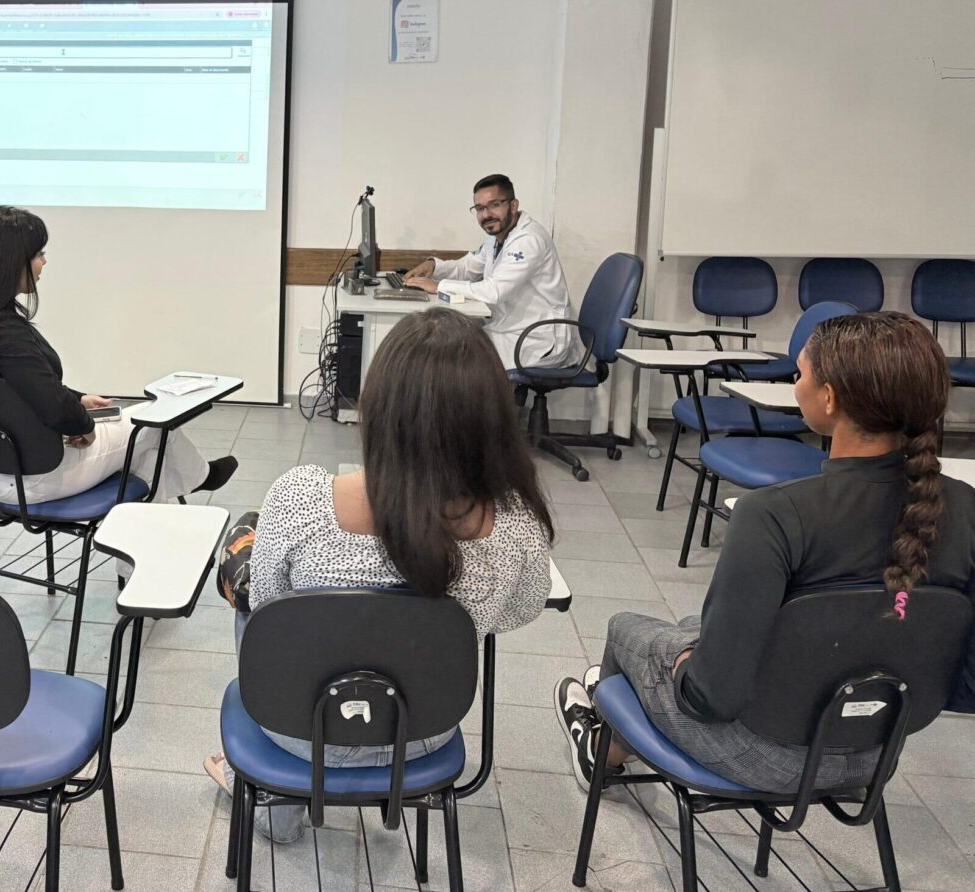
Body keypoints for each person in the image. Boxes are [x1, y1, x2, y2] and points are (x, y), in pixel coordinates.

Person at [554, 312, 975, 794]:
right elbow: (965, 685)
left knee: (629, 631)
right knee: (694, 627)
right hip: (878, 754)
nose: (797, 385)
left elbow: (709, 698)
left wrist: (683, 662)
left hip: (766, 755)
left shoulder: (773, 515)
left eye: (801, 375)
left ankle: (601, 753)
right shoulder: (964, 509)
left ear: (830, 398)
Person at [204, 307, 556, 841]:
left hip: (297, 731)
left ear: (379, 408)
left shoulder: (302, 499)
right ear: (492, 418)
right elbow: (522, 608)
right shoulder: (516, 525)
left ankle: (273, 807)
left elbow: (271, 604)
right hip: (423, 732)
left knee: (257, 605)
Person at [0, 205, 236, 502]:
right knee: (155, 423)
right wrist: (83, 425)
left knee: (147, 462)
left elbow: (21, 386)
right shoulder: (4, 331)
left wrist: (77, 400)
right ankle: (201, 476)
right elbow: (49, 402)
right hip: (39, 475)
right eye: (38, 254)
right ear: (10, 261)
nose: (44, 262)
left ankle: (150, 546)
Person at [404, 174, 582, 370]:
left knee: (451, 355)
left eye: (494, 205)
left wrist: (438, 286)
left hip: (536, 340)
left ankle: (475, 401)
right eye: (480, 208)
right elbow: (467, 267)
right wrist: (434, 266)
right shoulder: (498, 238)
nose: (486, 214)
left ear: (513, 205)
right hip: (511, 329)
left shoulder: (528, 240)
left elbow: (494, 291)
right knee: (446, 338)